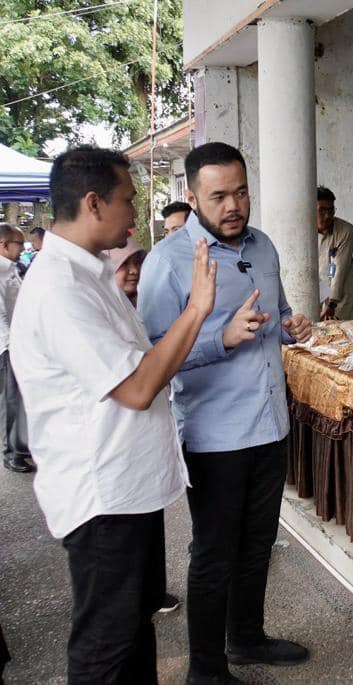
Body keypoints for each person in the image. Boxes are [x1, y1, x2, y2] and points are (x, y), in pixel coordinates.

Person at [10, 146, 217, 684]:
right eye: (127, 200)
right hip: (102, 496)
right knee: (105, 642)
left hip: (129, 488)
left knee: (132, 627)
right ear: (93, 202)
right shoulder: (60, 288)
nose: (134, 212)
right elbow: (139, 385)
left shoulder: (93, 272)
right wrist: (197, 310)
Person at [138, 142, 312, 685]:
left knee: (258, 543)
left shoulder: (263, 247)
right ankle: (206, 669)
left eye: (240, 192)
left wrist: (289, 326)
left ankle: (247, 638)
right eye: (218, 196)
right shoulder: (167, 263)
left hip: (269, 423)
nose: (233, 205)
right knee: (214, 553)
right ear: (191, 198)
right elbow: (153, 357)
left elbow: (276, 312)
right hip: (214, 435)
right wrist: (222, 338)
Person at [103, 237, 182, 615]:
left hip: (147, 440)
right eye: (124, 263)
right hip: (119, 447)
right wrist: (198, 309)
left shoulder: (137, 304)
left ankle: (152, 592)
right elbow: (136, 385)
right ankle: (142, 595)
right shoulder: (101, 306)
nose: (133, 270)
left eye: (137, 262)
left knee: (151, 524)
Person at [0, 224, 30, 473]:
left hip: (19, 343)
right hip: (8, 346)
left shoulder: (13, 269)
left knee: (22, 399)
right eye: (19, 244)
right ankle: (10, 452)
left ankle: (21, 444)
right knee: (10, 401)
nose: (23, 248)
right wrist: (11, 346)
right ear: (4, 245)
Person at [316, 186, 353, 321]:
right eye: (322, 210)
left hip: (340, 297)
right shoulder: (303, 231)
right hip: (318, 294)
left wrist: (332, 303)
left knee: (344, 337)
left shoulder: (346, 230)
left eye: (331, 210)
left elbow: (338, 270)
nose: (328, 216)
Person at [104, 238, 146, 307]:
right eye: (124, 263)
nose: (135, 271)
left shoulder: (146, 304)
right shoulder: (98, 306)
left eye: (137, 262)